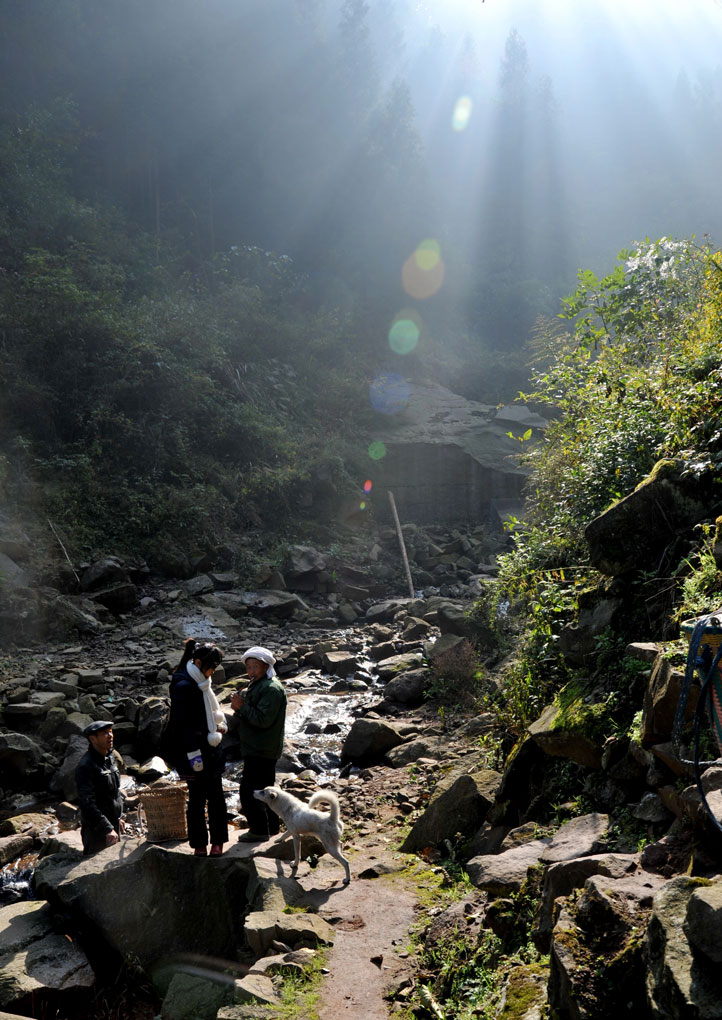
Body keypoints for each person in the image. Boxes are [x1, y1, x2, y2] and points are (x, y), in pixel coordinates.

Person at [165, 638, 229, 857]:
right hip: (193, 752)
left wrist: (219, 727)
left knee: (216, 797)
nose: (213, 672)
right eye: (211, 667)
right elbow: (180, 726)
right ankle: (200, 844)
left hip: (209, 748)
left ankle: (217, 842)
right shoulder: (184, 686)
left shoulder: (200, 681)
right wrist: (194, 756)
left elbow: (211, 712)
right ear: (199, 662)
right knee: (199, 798)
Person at [230, 645, 287, 842]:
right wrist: (239, 707)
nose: (251, 671)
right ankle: (271, 828)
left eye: (255, 666)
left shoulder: (271, 689)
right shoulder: (260, 683)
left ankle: (259, 830)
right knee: (266, 790)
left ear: (265, 666)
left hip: (261, 748)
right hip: (259, 747)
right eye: (249, 667)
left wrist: (241, 707)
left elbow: (263, 720)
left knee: (249, 792)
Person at [75, 720, 124, 855]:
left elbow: (115, 792)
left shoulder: (110, 758)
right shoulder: (86, 766)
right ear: (93, 739)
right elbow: (87, 803)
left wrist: (120, 817)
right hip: (97, 831)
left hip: (114, 825)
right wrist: (107, 828)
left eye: (110, 732)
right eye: (104, 733)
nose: (110, 736)